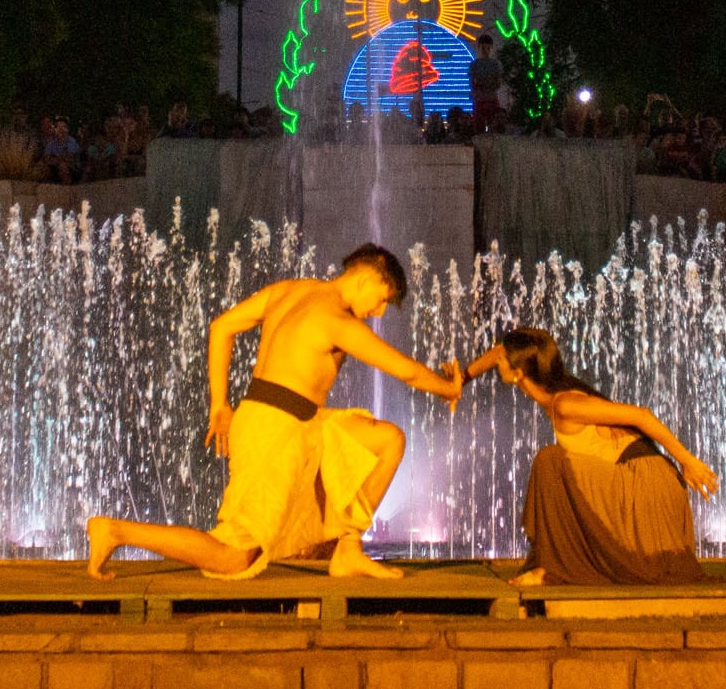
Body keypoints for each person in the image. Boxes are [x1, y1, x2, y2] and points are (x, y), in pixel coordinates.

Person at [86, 244, 463, 583]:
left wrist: (220, 404)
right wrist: (449, 387)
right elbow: (408, 371)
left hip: (298, 423)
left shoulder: (287, 291)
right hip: (275, 429)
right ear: (365, 278)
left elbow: (222, 327)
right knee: (234, 557)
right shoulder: (336, 319)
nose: (378, 312)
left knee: (387, 440)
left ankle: (348, 549)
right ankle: (117, 532)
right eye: (381, 300)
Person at [461, 327, 719, 586]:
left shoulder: (565, 403)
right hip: (632, 482)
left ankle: (552, 569)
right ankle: (553, 565)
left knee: (550, 462)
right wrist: (461, 379)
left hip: (645, 485)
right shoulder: (552, 393)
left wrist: (688, 461)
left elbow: (642, 416)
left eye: (503, 359)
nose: (497, 360)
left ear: (518, 374)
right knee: (559, 466)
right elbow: (496, 352)